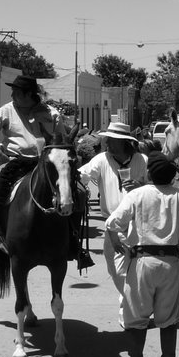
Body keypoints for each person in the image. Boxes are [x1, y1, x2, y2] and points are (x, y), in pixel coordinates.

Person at [0, 75, 93, 269]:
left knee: (80, 192)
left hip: (47, 164)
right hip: (14, 162)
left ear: (29, 94)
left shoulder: (51, 113)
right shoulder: (7, 110)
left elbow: (61, 140)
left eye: (16, 92)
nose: (12, 95)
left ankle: (74, 243)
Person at [105, 150, 179, 357]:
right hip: (171, 263)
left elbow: (113, 222)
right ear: (171, 176)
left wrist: (115, 241)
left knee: (137, 317)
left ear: (149, 173)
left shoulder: (137, 194)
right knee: (168, 319)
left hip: (142, 262)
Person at [78, 120, 147, 283]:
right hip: (113, 224)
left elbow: (158, 187)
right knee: (115, 271)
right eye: (107, 138)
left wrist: (141, 186)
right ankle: (131, 303)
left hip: (139, 224)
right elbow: (82, 176)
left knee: (139, 270)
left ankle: (130, 305)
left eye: (111, 139)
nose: (106, 142)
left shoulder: (142, 160)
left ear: (123, 142)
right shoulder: (102, 160)